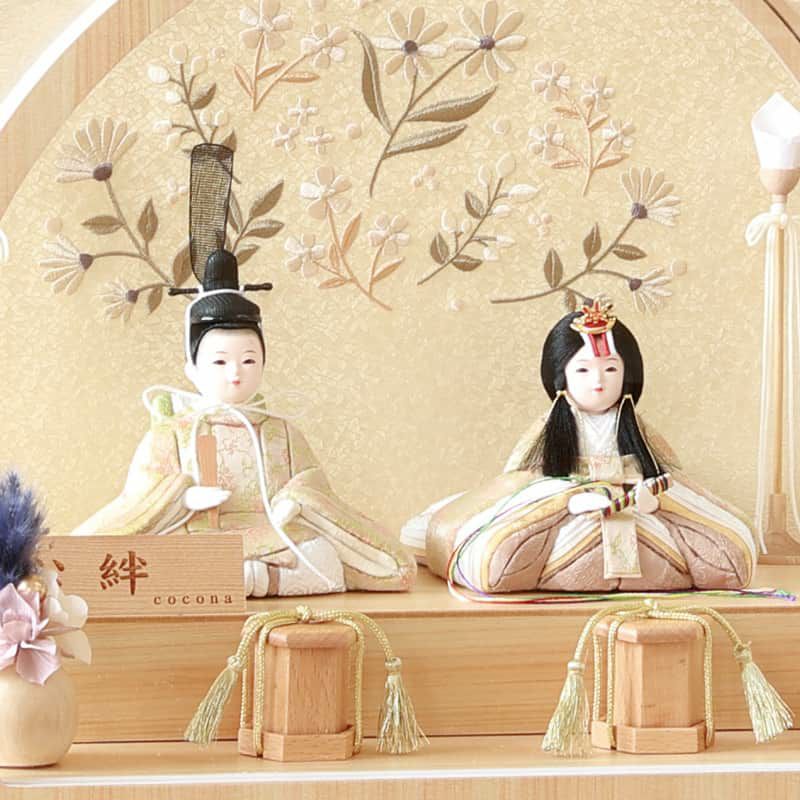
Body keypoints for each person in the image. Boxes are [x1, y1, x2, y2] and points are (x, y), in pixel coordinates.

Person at [71, 144, 416, 597]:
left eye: (248, 360)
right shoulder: (173, 433)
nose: (236, 373)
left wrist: (295, 503)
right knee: (160, 563)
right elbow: (141, 498)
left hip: (273, 536)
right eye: (219, 361)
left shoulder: (280, 432)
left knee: (325, 560)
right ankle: (246, 580)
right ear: (192, 368)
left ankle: (251, 580)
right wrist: (183, 498)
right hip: (198, 535)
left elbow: (314, 488)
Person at [403, 300, 756, 594]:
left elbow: (665, 473)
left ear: (627, 373)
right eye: (584, 370)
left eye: (610, 369)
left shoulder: (637, 427)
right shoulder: (551, 428)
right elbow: (523, 478)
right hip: (567, 504)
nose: (599, 381)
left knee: (726, 551)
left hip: (636, 507)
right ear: (562, 376)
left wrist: (652, 497)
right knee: (500, 557)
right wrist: (570, 499)